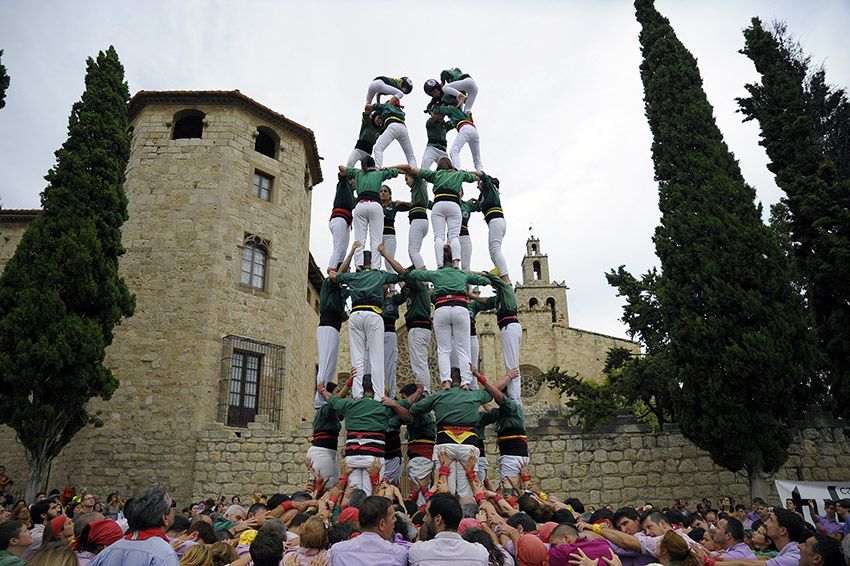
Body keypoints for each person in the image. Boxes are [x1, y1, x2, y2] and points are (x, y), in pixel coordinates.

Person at [382, 244, 490, 388]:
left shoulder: (435, 274)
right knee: (463, 349)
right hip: (460, 308)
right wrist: (490, 277)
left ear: (441, 261)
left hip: (442, 309)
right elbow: (485, 280)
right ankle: (465, 382)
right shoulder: (462, 274)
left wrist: (387, 256)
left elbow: (406, 275)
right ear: (454, 260)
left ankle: (445, 381)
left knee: (443, 350)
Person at [409, 369, 505, 496]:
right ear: (464, 380)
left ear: (447, 379)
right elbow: (492, 392)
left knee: (444, 489)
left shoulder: (439, 395)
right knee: (466, 493)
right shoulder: (474, 395)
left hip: (445, 444)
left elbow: (415, 409)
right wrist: (504, 376)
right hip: (468, 445)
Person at [330, 242, 401, 398]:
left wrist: (351, 251)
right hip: (373, 314)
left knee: (358, 359)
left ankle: (357, 395)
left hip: (355, 315)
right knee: (376, 358)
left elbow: (334, 276)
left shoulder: (354, 276)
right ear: (374, 261)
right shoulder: (380, 275)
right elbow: (402, 273)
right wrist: (385, 254)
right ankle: (378, 397)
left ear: (360, 263)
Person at [319, 375, 407, 495]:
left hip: (352, 457)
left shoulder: (350, 404)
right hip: (373, 459)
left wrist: (322, 389)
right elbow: (407, 411)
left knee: (353, 494)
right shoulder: (383, 406)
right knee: (372, 495)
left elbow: (332, 400)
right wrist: (399, 402)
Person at [339, 159, 404, 269]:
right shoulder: (379, 173)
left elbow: (341, 168)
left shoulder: (358, 173)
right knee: (376, 238)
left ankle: (358, 264)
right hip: (375, 205)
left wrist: (358, 170)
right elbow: (399, 170)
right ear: (373, 165)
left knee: (359, 237)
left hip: (360, 205)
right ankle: (376, 266)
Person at [415, 159, 482, 268]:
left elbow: (415, 170)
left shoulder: (435, 174)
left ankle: (439, 263)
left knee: (439, 237)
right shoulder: (458, 174)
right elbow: (476, 177)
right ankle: (456, 262)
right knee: (454, 236)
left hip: (439, 204)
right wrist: (465, 172)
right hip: (454, 205)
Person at [90, 486, 179, 566]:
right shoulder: (164, 554)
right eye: (172, 506)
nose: (174, 510)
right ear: (165, 518)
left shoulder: (109, 550)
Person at [475, 271, 522, 402]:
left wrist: (473, 273)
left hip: (510, 327)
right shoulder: (499, 297)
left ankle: (515, 399)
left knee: (512, 366)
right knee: (511, 364)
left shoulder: (506, 288)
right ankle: (514, 397)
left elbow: (490, 276)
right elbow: (486, 301)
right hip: (509, 328)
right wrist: (472, 296)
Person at [408, 493, 489, 565]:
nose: (424, 519)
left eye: (426, 514)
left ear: (438, 519)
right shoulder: (479, 554)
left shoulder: (418, 552)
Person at [478, 368, 527, 485]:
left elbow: (497, 394)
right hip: (510, 454)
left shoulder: (512, 406)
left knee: (508, 488)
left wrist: (508, 376)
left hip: (513, 455)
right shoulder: (503, 412)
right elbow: (490, 409)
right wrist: (478, 399)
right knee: (511, 486)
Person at [329, 496, 409, 565]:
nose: (395, 520)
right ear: (382, 524)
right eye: (393, 517)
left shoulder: (338, 551)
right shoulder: (399, 554)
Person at [719, 509, 807, 566]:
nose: (766, 523)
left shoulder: (791, 558)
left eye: (771, 520)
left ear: (782, 531)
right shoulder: (786, 553)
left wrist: (712, 562)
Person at [314, 271, 349, 408]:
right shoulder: (329, 285)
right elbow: (335, 276)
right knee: (325, 364)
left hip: (334, 328)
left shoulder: (341, 291)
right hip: (327, 327)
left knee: (330, 367)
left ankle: (323, 395)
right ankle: (319, 398)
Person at [307, 380, 347, 488]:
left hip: (330, 452)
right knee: (327, 487)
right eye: (337, 392)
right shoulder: (325, 409)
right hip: (321, 452)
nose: (340, 394)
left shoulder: (333, 414)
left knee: (333, 485)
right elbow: (335, 402)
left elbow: (341, 411)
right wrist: (348, 385)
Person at [399, 266, 433, 390]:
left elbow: (405, 276)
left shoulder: (420, 287)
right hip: (420, 328)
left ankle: (424, 391)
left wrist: (414, 267)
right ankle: (425, 390)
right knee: (419, 363)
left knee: (419, 364)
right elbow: (403, 282)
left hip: (418, 328)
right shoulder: (416, 291)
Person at [477, 175, 509, 283]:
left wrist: (474, 174)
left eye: (479, 183)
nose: (478, 186)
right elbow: (478, 206)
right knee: (492, 251)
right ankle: (500, 274)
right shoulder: (484, 195)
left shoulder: (490, 188)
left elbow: (483, 175)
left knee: (495, 249)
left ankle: (505, 277)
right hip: (494, 222)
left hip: (496, 220)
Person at [432, 103, 482, 172]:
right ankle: (482, 175)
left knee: (453, 151)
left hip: (465, 128)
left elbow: (438, 109)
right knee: (477, 160)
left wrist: (433, 111)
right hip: (474, 130)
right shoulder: (459, 113)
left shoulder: (452, 109)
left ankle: (456, 170)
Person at [372, 102, 417, 168]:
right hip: (403, 128)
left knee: (378, 148)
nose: (380, 121)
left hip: (393, 126)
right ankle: (415, 173)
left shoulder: (386, 107)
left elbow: (377, 105)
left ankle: (377, 169)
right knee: (410, 157)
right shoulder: (397, 110)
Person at [327, 173, 356, 273]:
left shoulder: (351, 196)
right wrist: (344, 174)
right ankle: (332, 269)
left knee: (343, 249)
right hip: (339, 219)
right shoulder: (344, 185)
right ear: (351, 180)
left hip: (345, 221)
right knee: (338, 247)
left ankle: (339, 269)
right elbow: (342, 178)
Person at [548, 522, 614, 566]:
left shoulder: (563, 552)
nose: (553, 547)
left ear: (566, 538)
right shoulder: (603, 543)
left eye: (554, 544)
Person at [379, 185, 410, 274]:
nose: (383, 193)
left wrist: (402, 202)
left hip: (389, 236)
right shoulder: (376, 205)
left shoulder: (393, 205)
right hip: (377, 235)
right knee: (375, 262)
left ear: (390, 194)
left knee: (389, 262)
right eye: (381, 191)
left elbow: (412, 205)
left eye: (385, 191)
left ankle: (394, 287)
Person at [403, 172, 430, 270]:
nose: (406, 182)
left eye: (407, 179)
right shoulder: (417, 190)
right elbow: (414, 203)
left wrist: (400, 170)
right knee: (413, 251)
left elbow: (412, 169)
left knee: (413, 251)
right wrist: (402, 203)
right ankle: (418, 270)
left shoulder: (419, 183)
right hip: (420, 220)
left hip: (418, 220)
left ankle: (423, 275)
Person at [421, 106, 453, 170]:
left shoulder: (445, 125)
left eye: (443, 115)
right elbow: (434, 117)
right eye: (441, 115)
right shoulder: (430, 123)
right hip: (432, 148)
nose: (442, 117)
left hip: (443, 151)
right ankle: (422, 178)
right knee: (425, 163)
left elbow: (455, 120)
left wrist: (451, 110)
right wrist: (435, 110)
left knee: (448, 167)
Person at [459, 194, 479, 271]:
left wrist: (478, 201)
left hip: (465, 235)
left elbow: (481, 207)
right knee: (451, 265)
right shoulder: (448, 203)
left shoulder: (466, 205)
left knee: (466, 268)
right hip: (452, 236)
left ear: (462, 193)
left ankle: (466, 283)